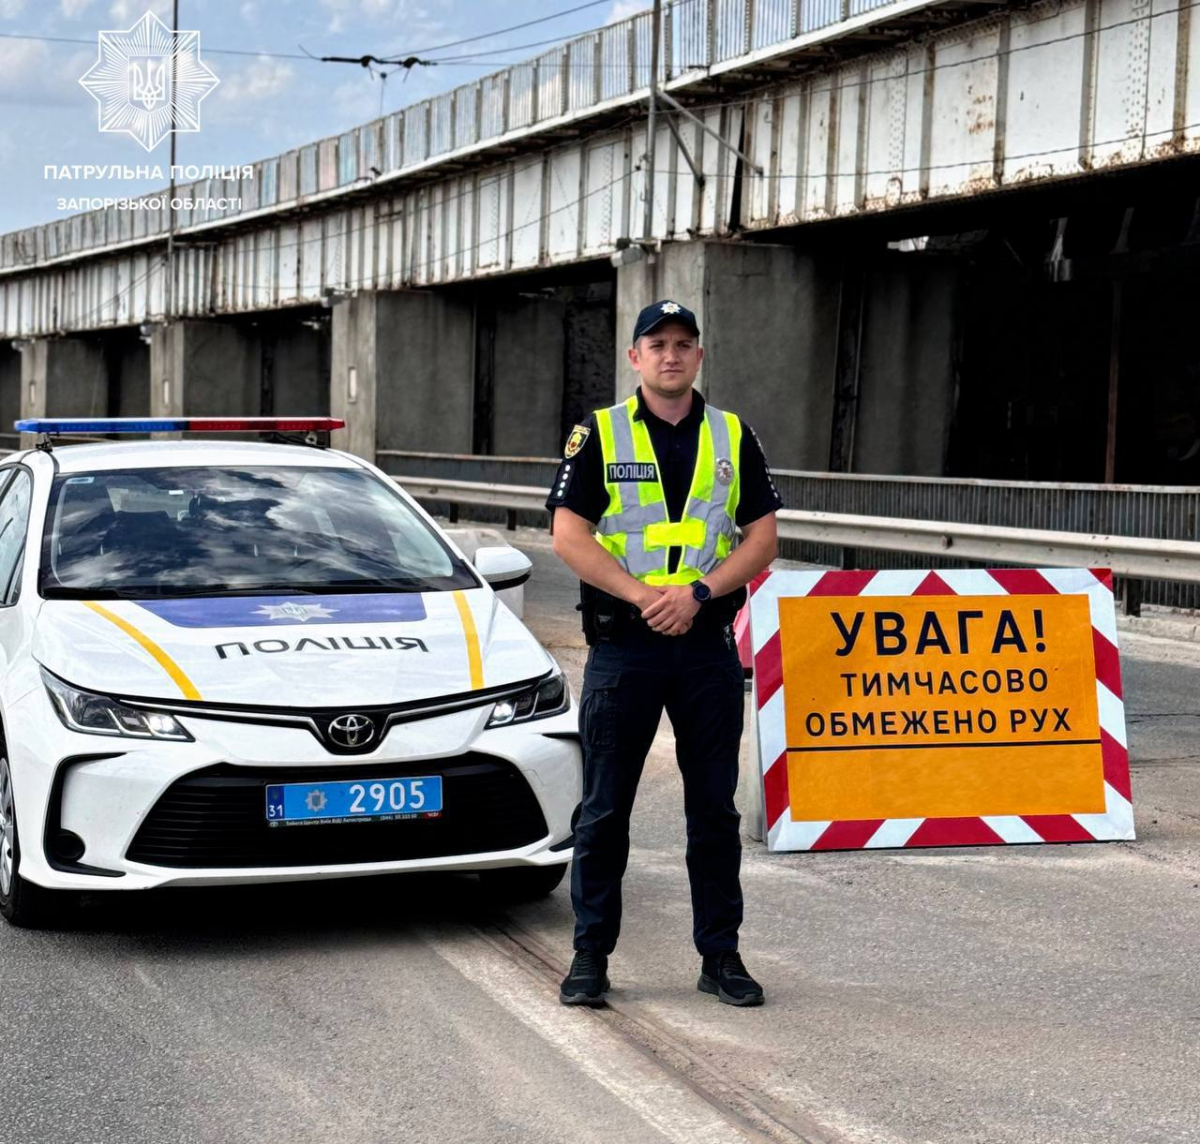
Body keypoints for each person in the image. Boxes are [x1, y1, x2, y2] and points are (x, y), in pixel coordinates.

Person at [546, 299, 782, 1008]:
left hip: (705, 647)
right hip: (625, 649)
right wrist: (645, 593)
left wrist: (699, 594)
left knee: (713, 814)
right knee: (604, 812)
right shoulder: (599, 433)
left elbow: (762, 538)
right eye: (658, 344)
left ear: (699, 356)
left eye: (684, 343)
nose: (671, 354)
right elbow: (569, 534)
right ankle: (590, 957)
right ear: (636, 358)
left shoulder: (732, 435)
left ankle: (722, 957)